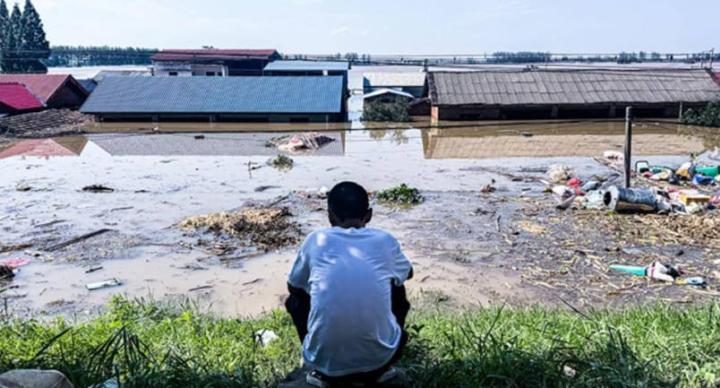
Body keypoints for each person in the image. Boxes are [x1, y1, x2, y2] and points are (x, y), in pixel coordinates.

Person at [285, 181, 413, 387]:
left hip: (326, 367)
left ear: (330, 216)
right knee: (397, 286)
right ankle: (381, 370)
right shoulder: (384, 240)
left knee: (295, 300)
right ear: (369, 215)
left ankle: (319, 367)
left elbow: (294, 287)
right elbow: (408, 273)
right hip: (380, 360)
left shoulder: (316, 240)